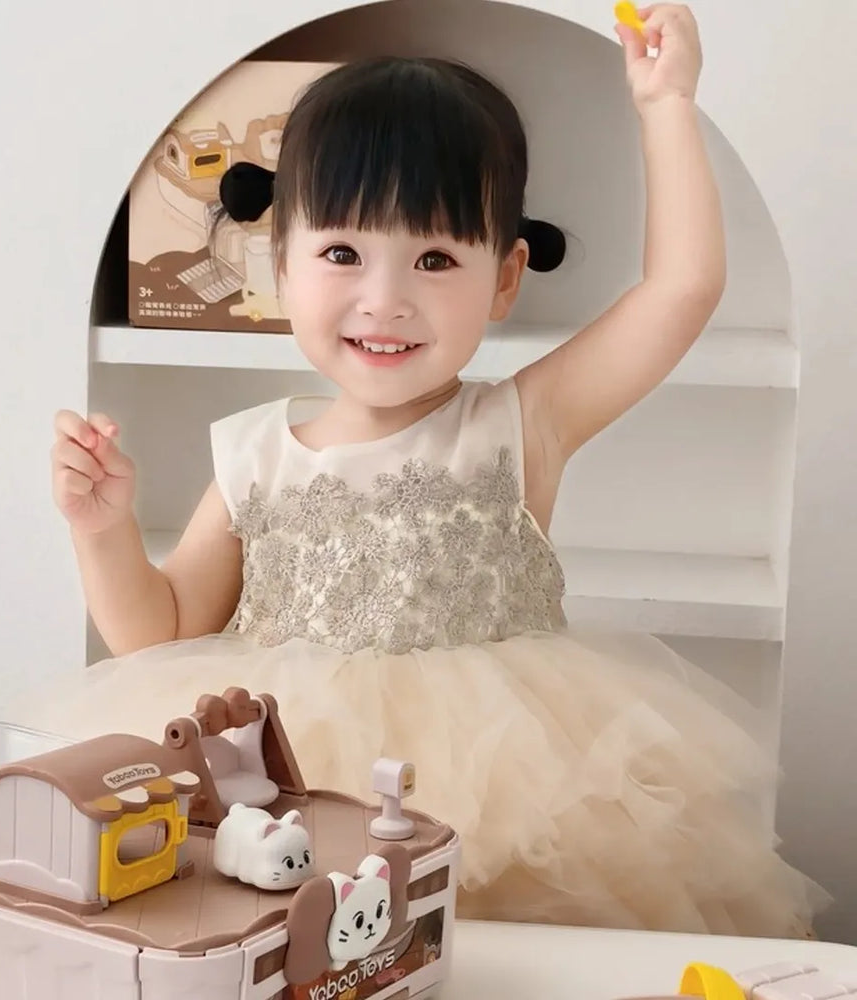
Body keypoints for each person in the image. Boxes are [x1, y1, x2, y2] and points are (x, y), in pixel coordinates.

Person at [43, 6, 828, 936]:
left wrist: (667, 105)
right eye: (342, 253)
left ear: (505, 277)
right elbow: (159, 635)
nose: (387, 300)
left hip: (502, 793)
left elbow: (682, 290)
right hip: (293, 789)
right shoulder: (253, 454)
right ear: (279, 265)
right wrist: (103, 531)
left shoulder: (520, 424)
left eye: (434, 257)